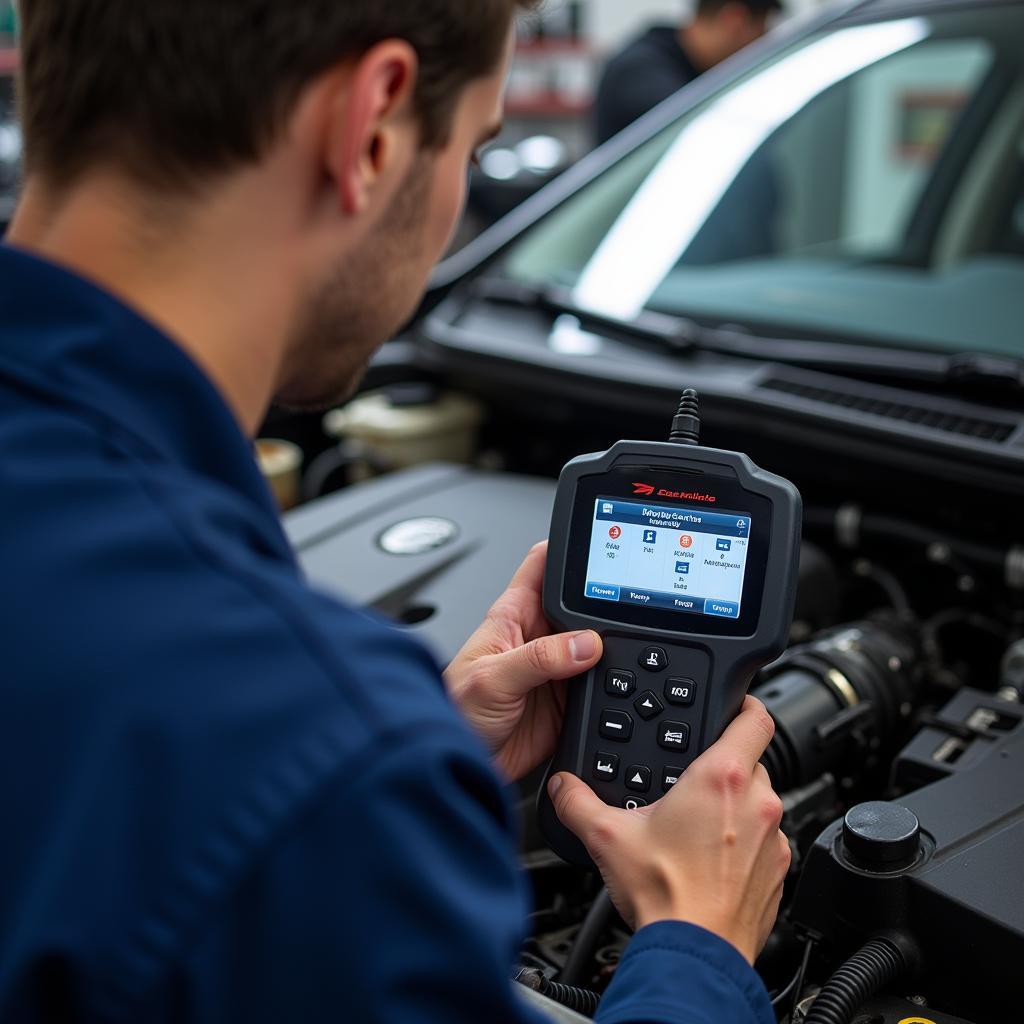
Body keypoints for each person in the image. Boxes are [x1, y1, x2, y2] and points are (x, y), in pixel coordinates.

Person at [0, 2, 790, 1021]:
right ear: (370, 130)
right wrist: (697, 945)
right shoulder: (315, 752)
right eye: (473, 143)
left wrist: (421, 760)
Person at [594, 0, 782, 146]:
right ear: (734, 22)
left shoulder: (693, 69)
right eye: (760, 33)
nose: (761, 48)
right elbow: (711, 132)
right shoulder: (643, 71)